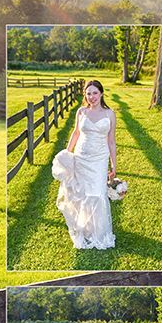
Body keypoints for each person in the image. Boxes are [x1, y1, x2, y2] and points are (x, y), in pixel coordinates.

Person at [53, 79, 116, 249]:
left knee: (97, 193)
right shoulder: (81, 112)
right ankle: (85, 229)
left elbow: (111, 141)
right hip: (81, 156)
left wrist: (113, 165)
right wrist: (67, 153)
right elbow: (75, 133)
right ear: (85, 95)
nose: (92, 96)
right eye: (88, 93)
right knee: (81, 193)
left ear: (101, 93)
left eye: (95, 93)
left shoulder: (110, 114)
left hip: (99, 159)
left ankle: (99, 234)